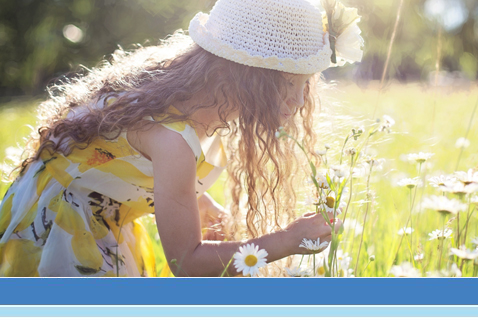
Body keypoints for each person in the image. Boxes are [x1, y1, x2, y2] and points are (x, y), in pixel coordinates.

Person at [0, 0, 363, 277]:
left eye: (306, 83)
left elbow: (123, 162)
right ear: (243, 74)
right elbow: (186, 261)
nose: (299, 101)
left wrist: (200, 205)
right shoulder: (172, 139)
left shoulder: (194, 93)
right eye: (287, 83)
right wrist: (284, 241)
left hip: (101, 214)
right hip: (60, 228)